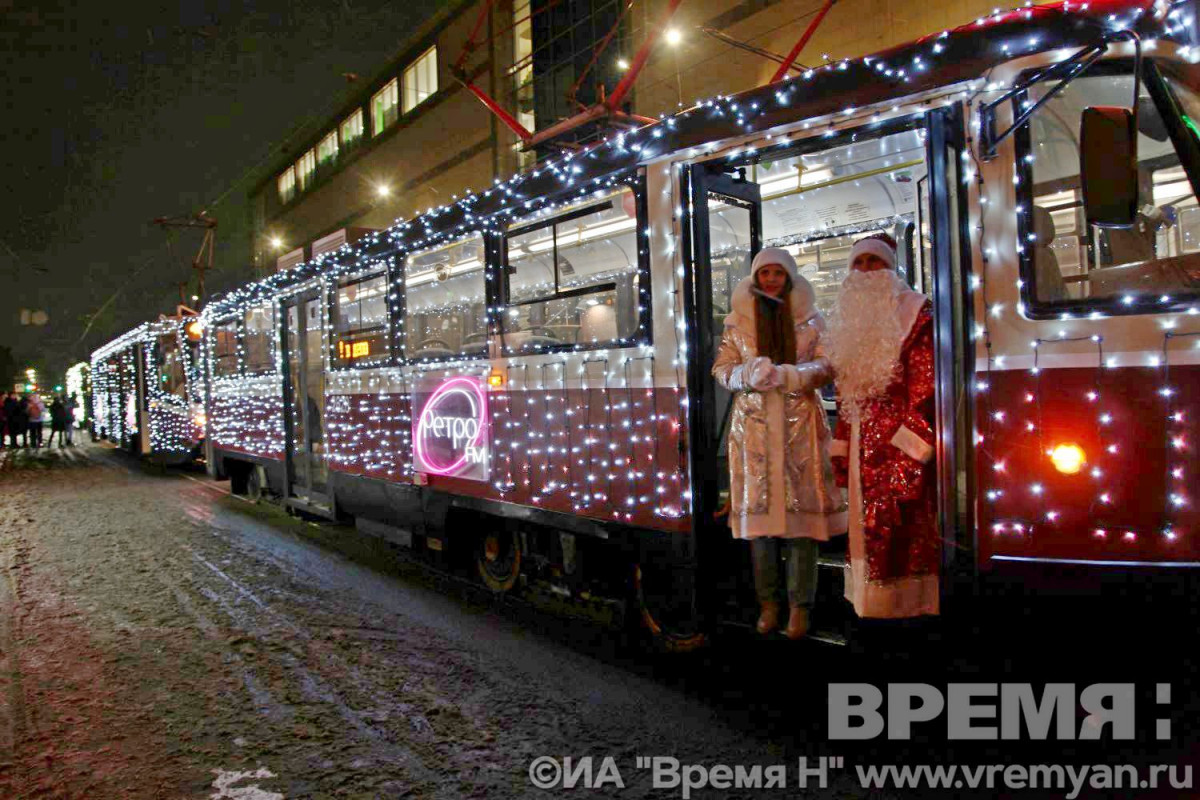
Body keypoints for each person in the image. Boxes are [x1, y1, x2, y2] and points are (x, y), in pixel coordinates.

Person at [712, 247, 848, 639]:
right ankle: (769, 603)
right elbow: (721, 369)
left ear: (788, 276)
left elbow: (827, 365)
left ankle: (800, 606)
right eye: (764, 273)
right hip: (753, 428)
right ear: (755, 278)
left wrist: (792, 375)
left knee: (802, 520)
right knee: (761, 521)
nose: (770, 279)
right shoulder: (737, 322)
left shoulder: (811, 319)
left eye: (777, 273)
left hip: (799, 425)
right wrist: (747, 374)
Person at [825, 233, 939, 619]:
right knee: (863, 533)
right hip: (859, 443)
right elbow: (847, 396)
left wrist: (908, 458)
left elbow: (926, 390)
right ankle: (869, 608)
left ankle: (905, 614)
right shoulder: (849, 325)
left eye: (875, 263)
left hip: (897, 449)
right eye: (859, 264)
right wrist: (841, 450)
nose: (866, 272)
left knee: (902, 536)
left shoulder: (916, 312)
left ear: (891, 268)